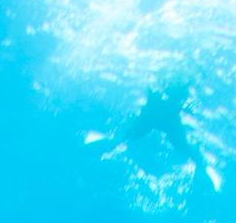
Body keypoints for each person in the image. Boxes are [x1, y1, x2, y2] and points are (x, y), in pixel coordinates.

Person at [88, 81, 220, 197]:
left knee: (125, 137)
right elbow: (185, 101)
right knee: (186, 150)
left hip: (157, 113)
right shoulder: (176, 88)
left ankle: (104, 145)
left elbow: (155, 91)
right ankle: (201, 171)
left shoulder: (162, 87)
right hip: (167, 116)